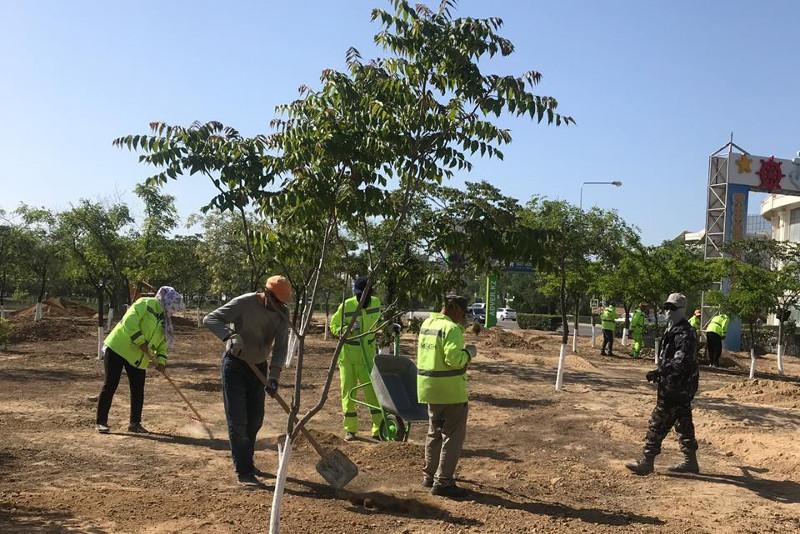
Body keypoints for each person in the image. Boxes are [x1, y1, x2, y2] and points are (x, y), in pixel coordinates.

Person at [204, 275, 291, 487]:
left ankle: (247, 462)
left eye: (282, 303)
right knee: (238, 420)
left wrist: (274, 377)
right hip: (235, 366)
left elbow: (281, 348)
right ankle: (243, 471)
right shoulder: (245, 302)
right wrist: (230, 336)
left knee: (255, 419)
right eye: (276, 301)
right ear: (267, 294)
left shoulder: (282, 313)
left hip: (259, 368)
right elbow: (211, 319)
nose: (279, 306)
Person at [626, 293, 699, 476]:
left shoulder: (684, 333)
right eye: (666, 307)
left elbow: (681, 362)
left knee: (657, 421)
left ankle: (647, 461)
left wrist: (660, 371)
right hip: (678, 386)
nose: (667, 311)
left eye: (672, 308)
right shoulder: (673, 329)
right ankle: (691, 462)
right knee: (683, 423)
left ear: (682, 310)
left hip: (676, 387)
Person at [96, 286, 185, 434]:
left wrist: (161, 361)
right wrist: (141, 341)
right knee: (111, 384)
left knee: (138, 389)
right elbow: (129, 322)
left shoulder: (165, 321)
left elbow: (163, 344)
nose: (174, 310)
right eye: (173, 307)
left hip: (138, 358)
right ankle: (101, 421)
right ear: (166, 301)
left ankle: (135, 423)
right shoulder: (145, 303)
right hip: (118, 347)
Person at [417, 294, 476, 498]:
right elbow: (454, 360)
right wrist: (469, 353)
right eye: (462, 312)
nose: (463, 317)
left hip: (429, 388)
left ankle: (429, 475)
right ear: (453, 308)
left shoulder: (427, 324)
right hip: (451, 391)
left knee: (434, 432)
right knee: (452, 435)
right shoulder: (451, 329)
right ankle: (443, 482)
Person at [330, 276, 384, 441]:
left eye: (365, 294)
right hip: (348, 358)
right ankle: (350, 430)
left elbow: (379, 321)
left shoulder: (376, 303)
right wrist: (346, 328)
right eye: (359, 294)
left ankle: (379, 429)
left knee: (373, 393)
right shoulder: (346, 306)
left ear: (370, 293)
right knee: (348, 393)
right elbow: (333, 327)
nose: (362, 298)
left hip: (368, 356)